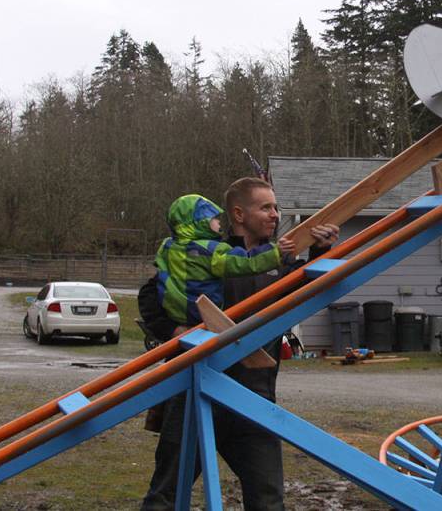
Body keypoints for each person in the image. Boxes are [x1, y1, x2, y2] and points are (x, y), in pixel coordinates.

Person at [140, 179, 338, 511]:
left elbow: (308, 291)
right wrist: (173, 329)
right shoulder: (206, 253)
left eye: (276, 208)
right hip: (194, 394)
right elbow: (150, 294)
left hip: (254, 400)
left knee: (267, 500)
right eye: (266, 208)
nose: (275, 215)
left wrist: (321, 251)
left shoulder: (280, 263)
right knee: (166, 496)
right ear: (238, 214)